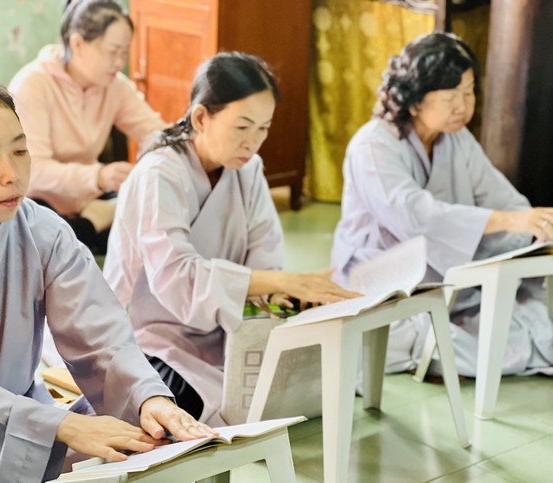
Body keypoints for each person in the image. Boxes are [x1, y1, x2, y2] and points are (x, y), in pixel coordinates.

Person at [0, 77, 214, 483]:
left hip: (27, 427)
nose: (11, 174)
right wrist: (62, 426)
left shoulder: (43, 232)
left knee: (141, 444)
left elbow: (101, 338)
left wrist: (148, 398)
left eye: (20, 151)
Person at [103, 52, 359, 425]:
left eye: (263, 128)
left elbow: (264, 254)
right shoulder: (159, 174)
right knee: (184, 407)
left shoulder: (248, 170)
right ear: (201, 118)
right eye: (242, 127)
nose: (252, 143)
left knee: (308, 388)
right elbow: (176, 277)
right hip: (151, 334)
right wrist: (280, 281)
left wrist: (285, 293)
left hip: (227, 331)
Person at [331, 32, 553, 376]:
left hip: (445, 279)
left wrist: (535, 224)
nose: (463, 106)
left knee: (522, 314)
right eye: (451, 97)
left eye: (469, 92)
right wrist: (507, 221)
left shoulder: (457, 139)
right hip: (385, 281)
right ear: (415, 101)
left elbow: (502, 199)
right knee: (427, 338)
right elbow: (415, 217)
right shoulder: (372, 146)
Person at [9, 0, 167, 254]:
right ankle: (92, 223)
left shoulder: (114, 86)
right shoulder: (33, 84)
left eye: (125, 52)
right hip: (37, 203)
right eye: (113, 52)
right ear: (78, 44)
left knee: (151, 226)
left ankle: (92, 222)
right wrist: (99, 176)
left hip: (88, 198)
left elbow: (156, 133)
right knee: (52, 243)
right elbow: (33, 170)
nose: (120, 62)